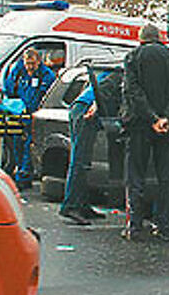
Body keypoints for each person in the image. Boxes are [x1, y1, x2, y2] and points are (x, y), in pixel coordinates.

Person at [121, 24, 169, 241]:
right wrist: (166, 118)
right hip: (167, 126)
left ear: (140, 39)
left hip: (139, 125)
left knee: (135, 177)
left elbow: (132, 91)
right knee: (167, 178)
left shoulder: (133, 57)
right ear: (160, 38)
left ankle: (134, 227)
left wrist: (151, 118)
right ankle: (166, 226)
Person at [59, 69, 123, 225]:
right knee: (80, 160)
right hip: (86, 112)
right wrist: (94, 107)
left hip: (82, 109)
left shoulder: (109, 70)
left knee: (83, 161)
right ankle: (71, 206)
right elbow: (102, 91)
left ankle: (82, 205)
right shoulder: (119, 73)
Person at [4, 48, 56, 189]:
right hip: (19, 114)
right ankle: (20, 171)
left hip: (34, 116)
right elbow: (9, 88)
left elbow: (46, 96)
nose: (29, 67)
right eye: (27, 64)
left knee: (29, 146)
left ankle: (24, 175)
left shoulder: (46, 76)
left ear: (39, 62)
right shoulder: (20, 72)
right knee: (17, 144)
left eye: (32, 64)